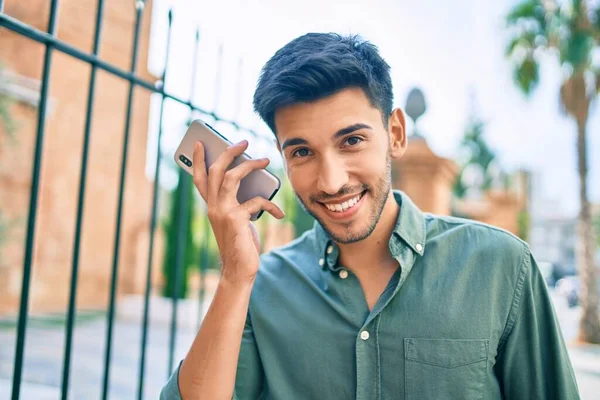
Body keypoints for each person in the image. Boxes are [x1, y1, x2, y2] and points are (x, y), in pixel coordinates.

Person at [160, 33, 579, 400]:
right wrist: (235, 277)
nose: (330, 181)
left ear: (395, 134)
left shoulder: (500, 267)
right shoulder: (261, 286)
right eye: (302, 151)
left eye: (352, 140)